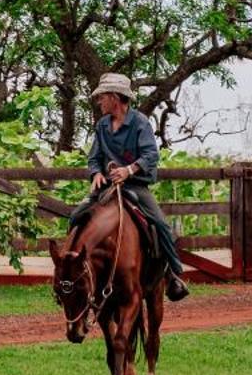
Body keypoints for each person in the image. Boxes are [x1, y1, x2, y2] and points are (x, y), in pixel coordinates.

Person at [69, 72, 189, 301]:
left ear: (115, 97)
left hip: (135, 186)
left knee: (161, 225)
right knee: (76, 216)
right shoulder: (102, 125)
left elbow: (151, 155)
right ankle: (71, 270)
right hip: (107, 187)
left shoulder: (140, 123)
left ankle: (173, 274)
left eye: (102, 97)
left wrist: (129, 170)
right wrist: (95, 173)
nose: (99, 101)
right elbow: (94, 158)